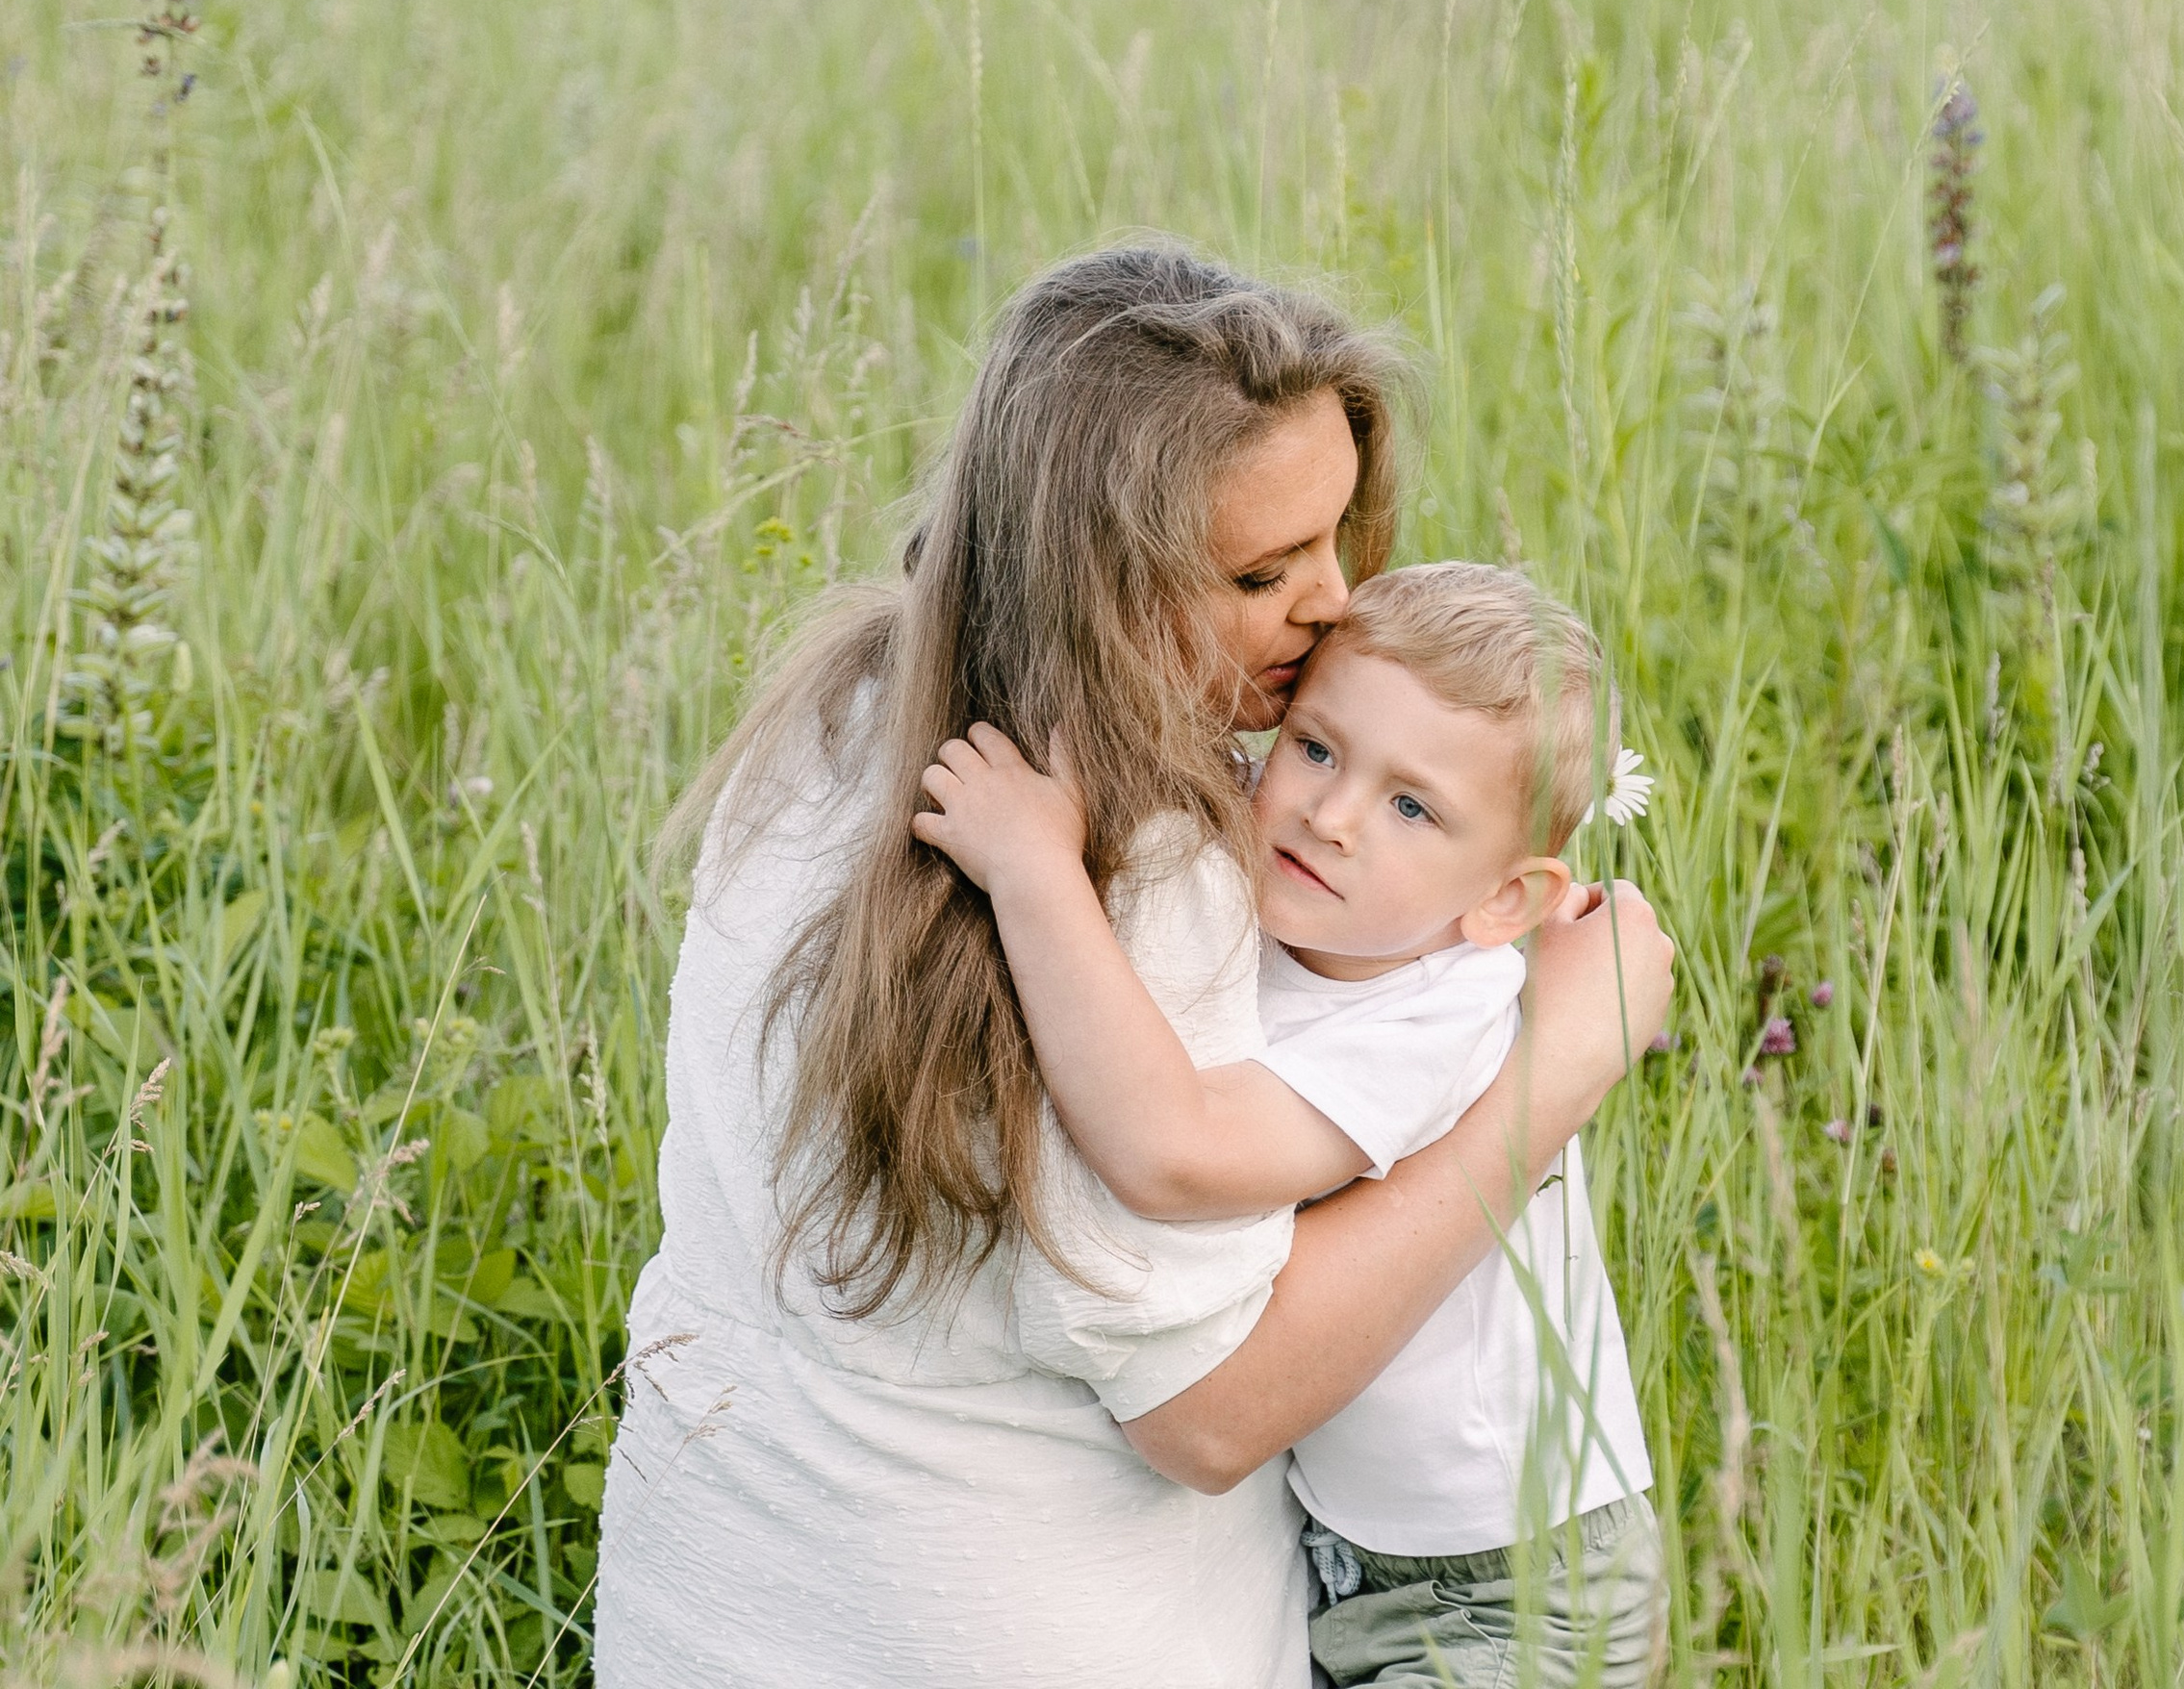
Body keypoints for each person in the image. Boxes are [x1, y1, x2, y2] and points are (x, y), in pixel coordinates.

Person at [595, 242, 1676, 1689]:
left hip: (702, 1619)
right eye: (1259, 571)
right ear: (1101, 580)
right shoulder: (1133, 868)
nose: (1334, 606)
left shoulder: (831, 716)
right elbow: (1211, 1415)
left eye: (1337, 537)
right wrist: (1563, 1068)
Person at [915, 560, 1666, 1689]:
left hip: (1508, 1587)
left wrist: (1033, 870)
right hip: (1357, 1549)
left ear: (1503, 901)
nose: (1331, 813)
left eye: (1412, 806)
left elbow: (1180, 1154)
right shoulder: (1303, 913)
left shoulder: (1440, 1012)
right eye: (1314, 746)